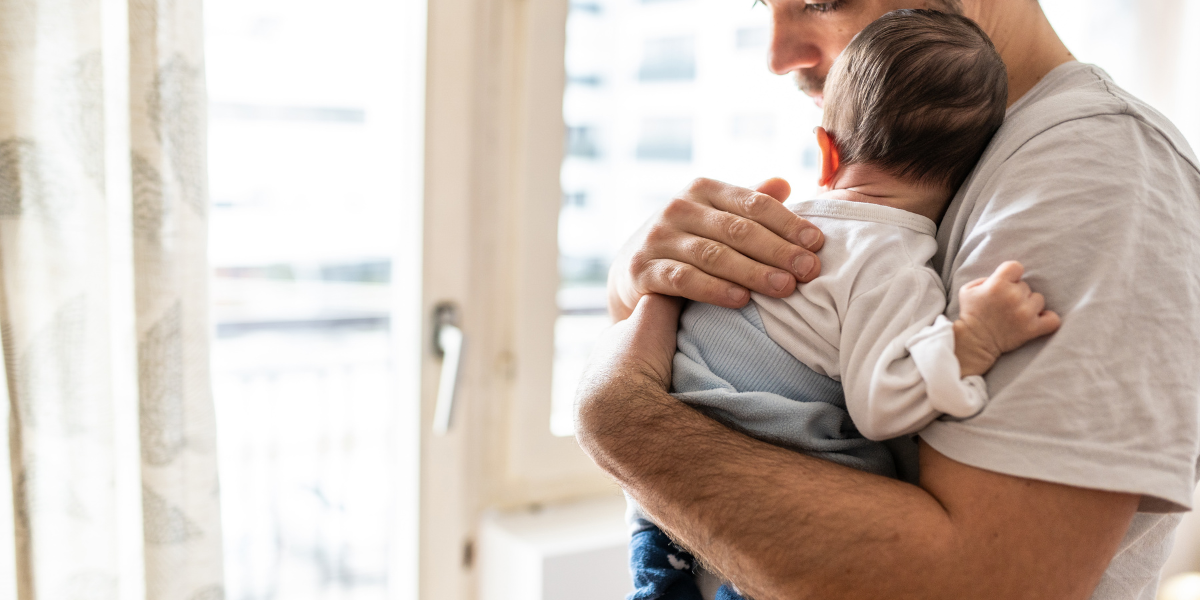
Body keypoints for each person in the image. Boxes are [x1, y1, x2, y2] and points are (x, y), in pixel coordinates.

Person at [575, 1, 1200, 599]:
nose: (777, 55)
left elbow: (977, 586)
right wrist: (639, 290)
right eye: (763, 4)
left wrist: (617, 416)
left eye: (822, 0)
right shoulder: (920, 150)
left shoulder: (1091, 173)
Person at [626, 11, 1061, 600]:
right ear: (964, 179)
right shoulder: (892, 267)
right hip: (758, 486)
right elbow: (883, 405)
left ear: (826, 152)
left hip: (662, 503)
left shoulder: (774, 221)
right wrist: (972, 341)